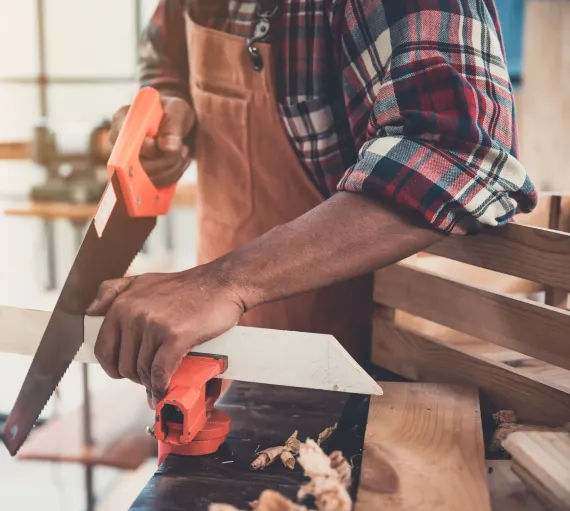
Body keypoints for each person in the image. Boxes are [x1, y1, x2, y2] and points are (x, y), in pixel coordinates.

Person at [85, 0, 537, 406]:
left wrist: (222, 282)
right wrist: (169, 108)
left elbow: (456, 154)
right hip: (226, 346)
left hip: (378, 367)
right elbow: (163, 57)